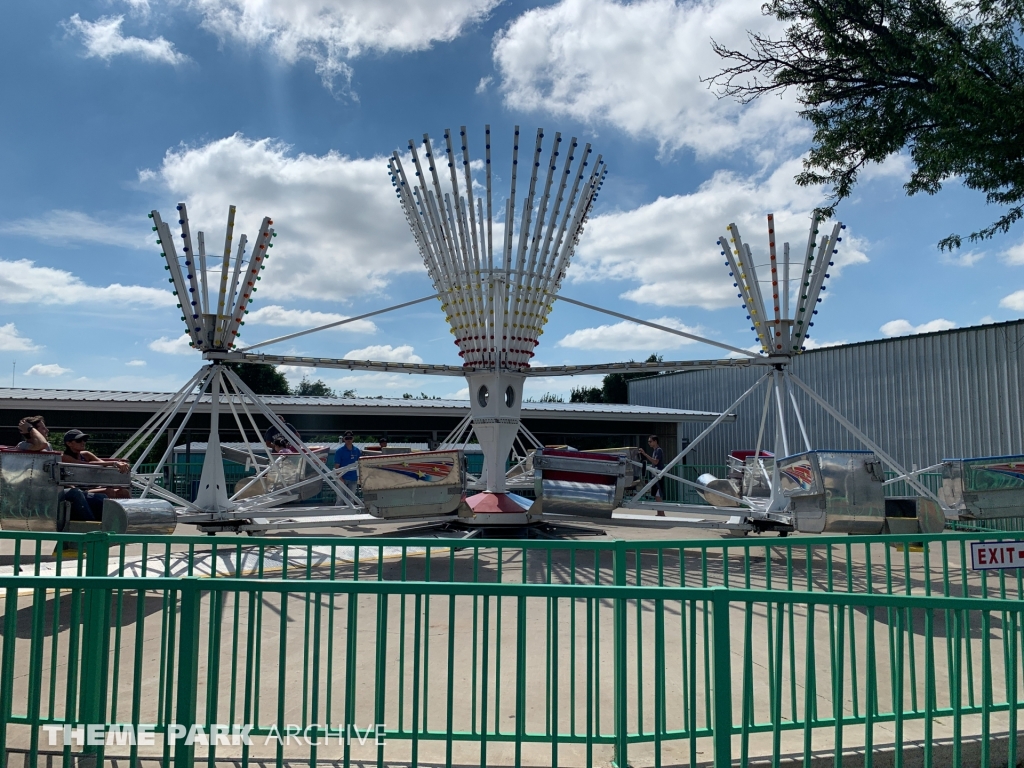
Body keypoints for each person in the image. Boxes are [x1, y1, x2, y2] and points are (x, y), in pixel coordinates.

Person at [15, 418, 102, 524]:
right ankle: (91, 527)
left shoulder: (48, 446)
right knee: (75, 494)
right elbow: (42, 444)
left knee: (100, 497)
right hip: (36, 495)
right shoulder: (23, 446)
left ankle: (106, 527)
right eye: (43, 428)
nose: (47, 430)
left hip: (53, 491)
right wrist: (30, 428)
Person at [61, 429, 131, 499]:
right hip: (77, 491)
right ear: (69, 443)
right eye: (78, 440)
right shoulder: (64, 457)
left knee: (123, 492)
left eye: (84, 439)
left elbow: (103, 464)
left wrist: (121, 465)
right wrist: (115, 463)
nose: (83, 442)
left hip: (92, 488)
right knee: (109, 492)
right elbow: (86, 465)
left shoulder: (86, 454)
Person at [639, 434, 666, 516]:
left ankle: (661, 513)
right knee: (655, 494)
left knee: (658, 494)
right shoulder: (655, 451)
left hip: (658, 475)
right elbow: (654, 464)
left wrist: (645, 454)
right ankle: (659, 512)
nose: (649, 443)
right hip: (654, 475)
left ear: (655, 441)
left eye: (650, 441)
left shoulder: (658, 450)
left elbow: (656, 462)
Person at [334, 431, 361, 496]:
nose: (349, 440)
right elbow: (336, 466)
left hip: (353, 478)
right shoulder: (339, 451)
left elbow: (360, 464)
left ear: (353, 439)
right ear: (344, 439)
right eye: (347, 438)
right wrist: (340, 479)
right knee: (340, 499)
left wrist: (360, 477)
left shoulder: (357, 450)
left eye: (350, 438)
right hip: (342, 478)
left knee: (351, 498)